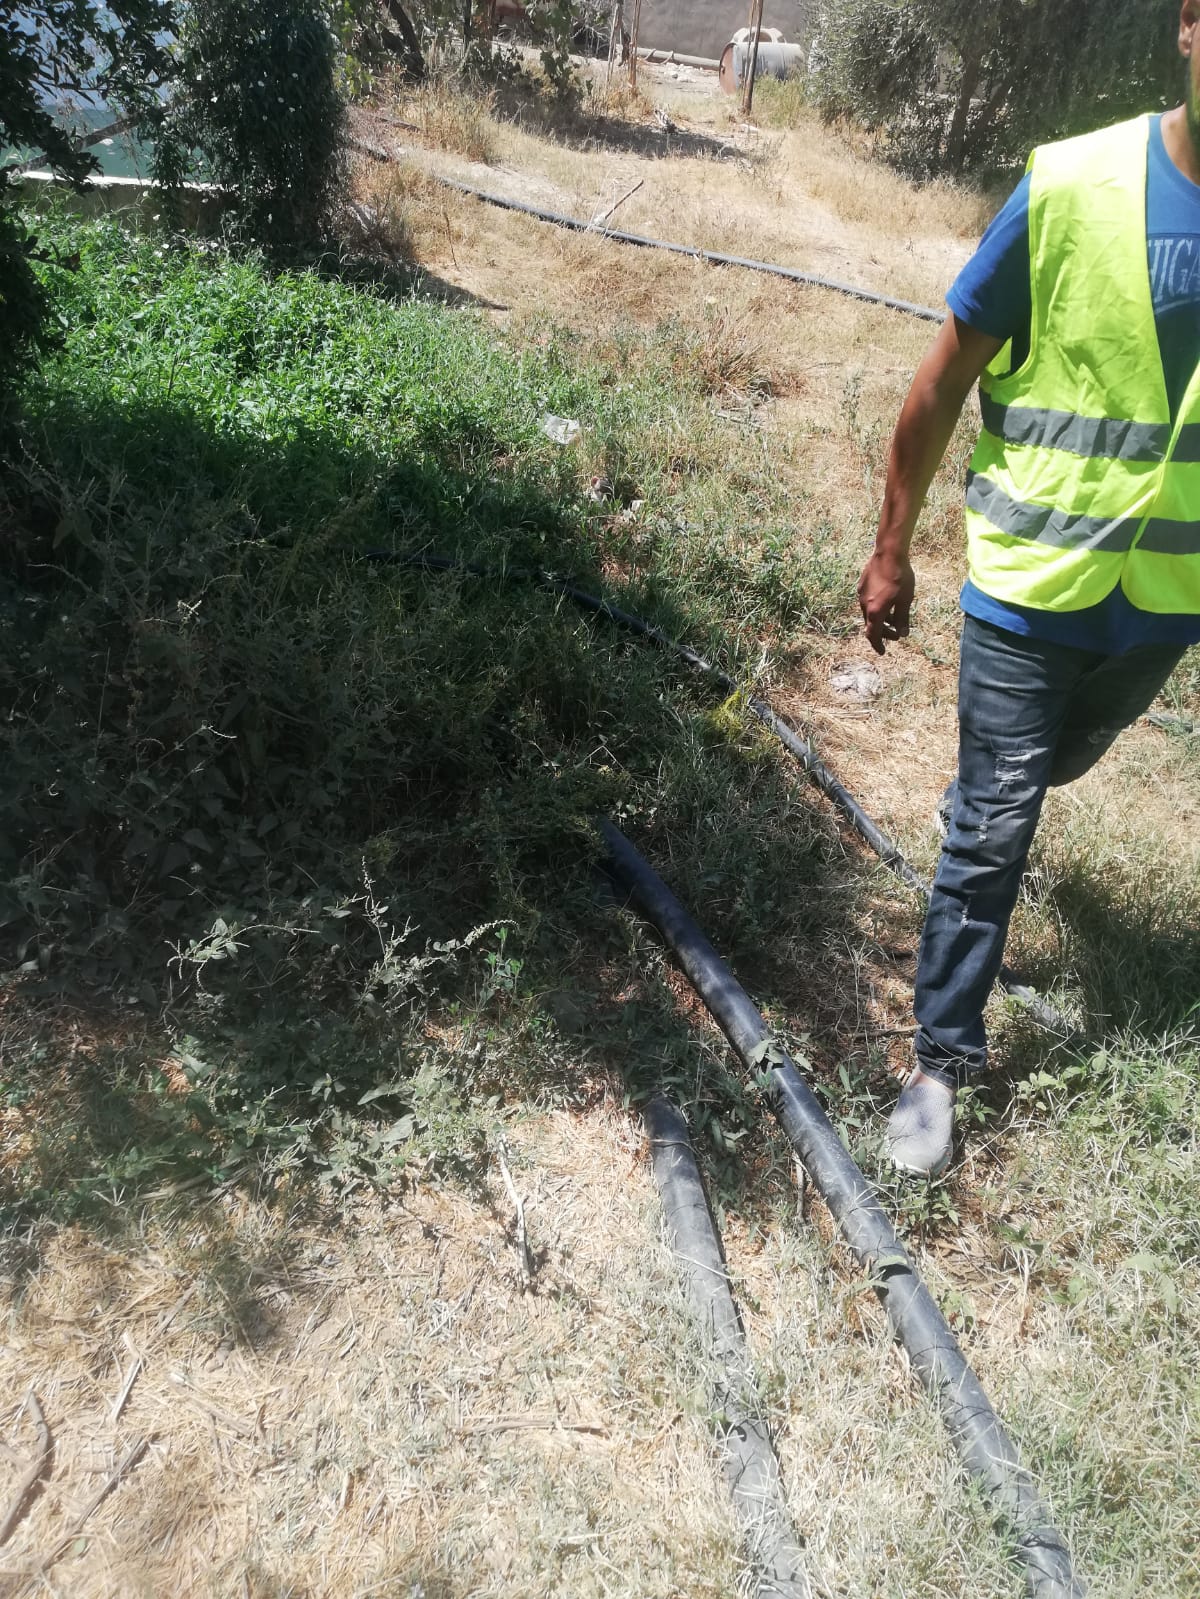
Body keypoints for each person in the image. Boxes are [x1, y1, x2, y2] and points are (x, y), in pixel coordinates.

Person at [857, 1, 1200, 1177]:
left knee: (1053, 765)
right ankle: (941, 1065)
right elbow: (944, 372)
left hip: (1165, 602)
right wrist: (892, 545)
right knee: (998, 823)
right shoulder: (1068, 185)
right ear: (1189, 27)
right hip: (1031, 584)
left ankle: (982, 797)